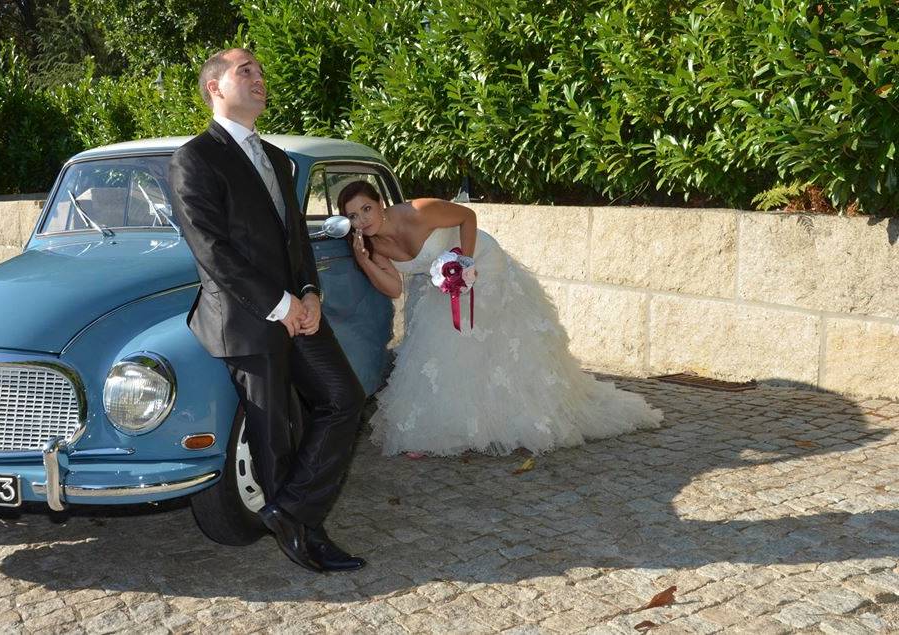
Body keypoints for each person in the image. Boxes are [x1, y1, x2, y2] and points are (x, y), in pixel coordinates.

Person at [169, 48, 365, 573]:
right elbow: (211, 249)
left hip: (298, 312)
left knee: (345, 398)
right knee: (272, 433)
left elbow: (295, 239)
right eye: (245, 71)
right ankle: (304, 536)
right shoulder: (194, 159)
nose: (259, 78)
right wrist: (279, 305)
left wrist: (309, 293)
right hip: (244, 318)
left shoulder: (279, 159)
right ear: (215, 87)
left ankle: (289, 511)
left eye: (261, 70)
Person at [339, 181, 663, 456]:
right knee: (446, 348)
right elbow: (394, 288)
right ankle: (459, 425)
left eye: (366, 209)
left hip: (480, 262)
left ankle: (514, 417)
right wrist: (362, 259)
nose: (362, 220)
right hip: (441, 286)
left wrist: (463, 259)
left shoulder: (419, 211)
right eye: (353, 216)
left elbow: (467, 216)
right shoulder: (373, 246)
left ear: (380, 203)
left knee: (488, 340)